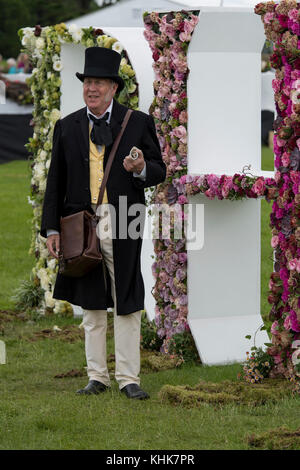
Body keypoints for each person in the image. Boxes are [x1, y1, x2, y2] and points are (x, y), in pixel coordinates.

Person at [40, 47, 166, 400]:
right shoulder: (67, 126)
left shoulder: (138, 122)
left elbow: (159, 170)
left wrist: (140, 168)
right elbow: (55, 182)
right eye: (87, 82)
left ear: (113, 87)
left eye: (99, 82)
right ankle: (97, 376)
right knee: (91, 302)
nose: (91, 88)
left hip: (125, 218)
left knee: (126, 296)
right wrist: (52, 229)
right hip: (81, 222)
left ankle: (129, 378)